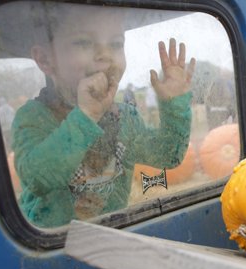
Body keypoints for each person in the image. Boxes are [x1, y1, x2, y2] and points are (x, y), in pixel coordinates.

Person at [12, 4, 196, 227]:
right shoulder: (33, 117)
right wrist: (86, 116)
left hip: (109, 240)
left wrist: (174, 106)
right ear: (45, 59)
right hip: (49, 248)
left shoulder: (125, 119)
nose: (105, 55)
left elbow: (167, 157)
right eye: (84, 42)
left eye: (116, 44)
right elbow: (36, 180)